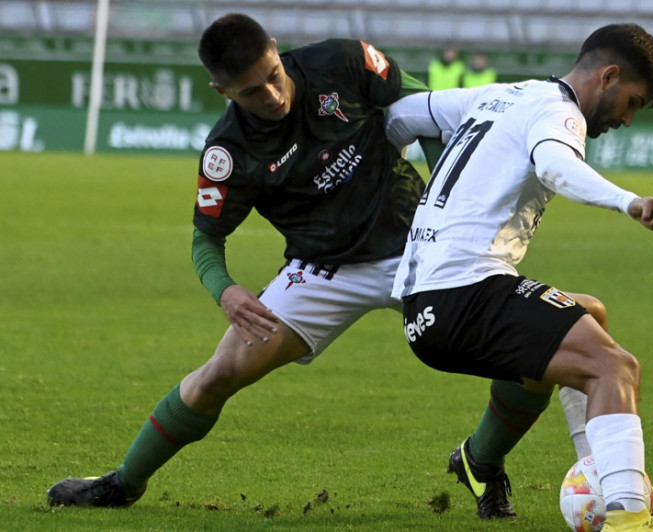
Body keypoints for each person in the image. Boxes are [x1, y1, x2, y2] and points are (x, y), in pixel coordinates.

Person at [45, 13, 434, 507]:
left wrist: (449, 197)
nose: (271, 95)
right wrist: (225, 290)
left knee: (513, 343)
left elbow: (430, 110)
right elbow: (205, 240)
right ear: (221, 91)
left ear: (275, 49)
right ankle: (123, 483)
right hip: (323, 269)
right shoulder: (227, 152)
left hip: (416, 246)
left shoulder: (344, 62)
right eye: (251, 91)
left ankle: (481, 461)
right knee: (219, 372)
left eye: (273, 76)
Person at [385, 23, 653, 531]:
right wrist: (630, 202)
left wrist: (393, 189)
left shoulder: (502, 95)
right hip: (467, 295)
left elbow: (399, 116)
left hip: (427, 305)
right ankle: (629, 519)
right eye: (632, 102)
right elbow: (554, 166)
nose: (628, 120)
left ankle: (609, 480)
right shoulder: (559, 113)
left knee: (588, 313)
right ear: (609, 76)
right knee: (616, 368)